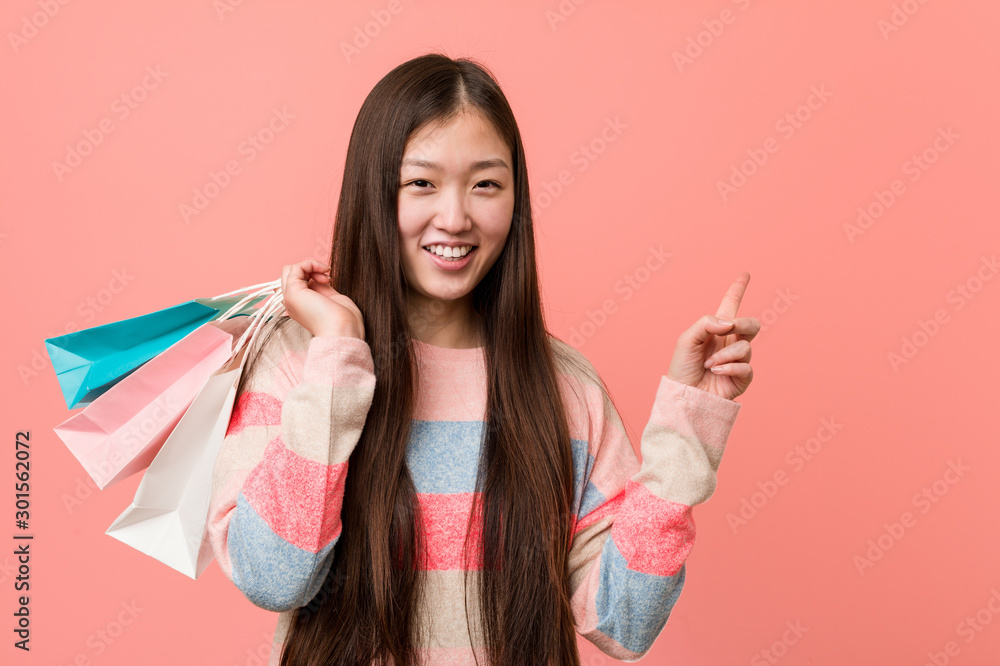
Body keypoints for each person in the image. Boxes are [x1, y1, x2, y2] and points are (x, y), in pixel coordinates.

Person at [207, 52, 758, 666]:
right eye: (421, 183)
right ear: (373, 191)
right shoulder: (297, 361)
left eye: (485, 184)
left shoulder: (562, 387)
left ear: (516, 200)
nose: (455, 217)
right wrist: (337, 355)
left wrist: (689, 427)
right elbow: (273, 578)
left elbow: (625, 622)